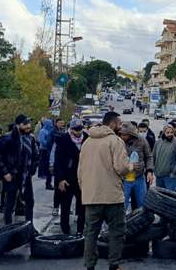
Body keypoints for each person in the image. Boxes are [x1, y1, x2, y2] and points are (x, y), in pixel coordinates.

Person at [79, 112, 133, 270]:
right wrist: (130, 166)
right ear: (113, 123)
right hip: (112, 197)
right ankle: (114, 265)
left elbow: (80, 170)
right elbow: (121, 168)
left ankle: (89, 266)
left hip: (91, 196)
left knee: (91, 233)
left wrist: (86, 190)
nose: (121, 127)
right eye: (120, 123)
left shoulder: (87, 141)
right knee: (117, 231)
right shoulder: (115, 141)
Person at [0, 114, 38, 225]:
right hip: (12, 175)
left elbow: (35, 155)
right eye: (25, 123)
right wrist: (5, 172)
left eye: (29, 123)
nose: (28, 126)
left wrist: (32, 169)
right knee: (10, 202)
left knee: (29, 201)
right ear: (18, 125)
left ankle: (29, 226)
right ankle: (8, 227)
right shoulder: (8, 138)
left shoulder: (31, 138)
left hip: (26, 175)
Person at [53, 118, 88, 234]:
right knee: (65, 206)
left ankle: (80, 229)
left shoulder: (87, 139)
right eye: (76, 130)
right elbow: (58, 161)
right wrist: (60, 179)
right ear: (71, 129)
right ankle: (65, 231)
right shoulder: (63, 140)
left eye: (80, 129)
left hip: (82, 178)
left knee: (83, 206)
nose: (78, 132)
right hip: (67, 178)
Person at [119, 122, 154, 213]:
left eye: (125, 135)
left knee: (142, 204)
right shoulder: (118, 142)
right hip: (124, 179)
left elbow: (149, 156)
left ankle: (142, 224)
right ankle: (121, 226)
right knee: (122, 205)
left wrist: (149, 171)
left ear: (131, 134)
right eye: (121, 134)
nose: (123, 137)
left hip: (139, 178)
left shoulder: (141, 140)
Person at [153, 124, 176, 191]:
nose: (170, 134)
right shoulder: (158, 142)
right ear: (164, 132)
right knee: (159, 195)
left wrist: (175, 171)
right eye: (167, 133)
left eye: (171, 132)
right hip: (159, 175)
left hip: (170, 176)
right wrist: (153, 168)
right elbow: (153, 156)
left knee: (170, 196)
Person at [49, 118, 67, 216]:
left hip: (68, 169)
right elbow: (52, 152)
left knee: (67, 190)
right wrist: (51, 164)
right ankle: (56, 207)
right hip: (58, 168)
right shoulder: (58, 142)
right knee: (58, 189)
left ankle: (65, 207)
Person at [38, 118, 56, 189]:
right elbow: (41, 140)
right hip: (43, 149)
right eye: (50, 124)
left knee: (47, 164)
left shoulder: (50, 131)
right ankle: (42, 174)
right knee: (43, 163)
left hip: (49, 149)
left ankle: (47, 178)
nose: (51, 125)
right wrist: (48, 144)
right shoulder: (43, 131)